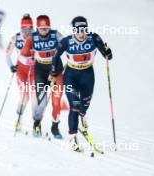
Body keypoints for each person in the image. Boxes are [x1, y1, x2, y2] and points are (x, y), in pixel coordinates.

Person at [50, 16, 113, 151]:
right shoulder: (66, 41)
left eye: (84, 29)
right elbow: (55, 57)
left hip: (88, 75)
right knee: (75, 106)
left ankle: (82, 117)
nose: (81, 33)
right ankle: (73, 138)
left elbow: (106, 55)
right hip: (71, 75)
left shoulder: (94, 38)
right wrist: (54, 72)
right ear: (73, 30)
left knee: (85, 105)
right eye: (78, 30)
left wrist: (108, 53)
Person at [21, 15, 64, 139]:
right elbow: (22, 56)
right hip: (40, 72)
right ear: (37, 28)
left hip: (57, 71)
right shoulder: (32, 38)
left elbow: (68, 46)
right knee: (43, 101)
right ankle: (37, 122)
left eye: (46, 28)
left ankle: (55, 127)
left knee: (56, 102)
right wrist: (29, 61)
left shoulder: (56, 35)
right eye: (41, 28)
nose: (44, 31)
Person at [5, 14, 36, 131]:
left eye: (30, 29)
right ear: (20, 28)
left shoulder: (37, 38)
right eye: (24, 29)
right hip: (21, 71)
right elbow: (7, 55)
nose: (27, 32)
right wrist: (11, 66)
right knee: (24, 96)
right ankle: (18, 120)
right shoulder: (15, 38)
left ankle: (36, 124)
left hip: (34, 71)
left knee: (35, 96)